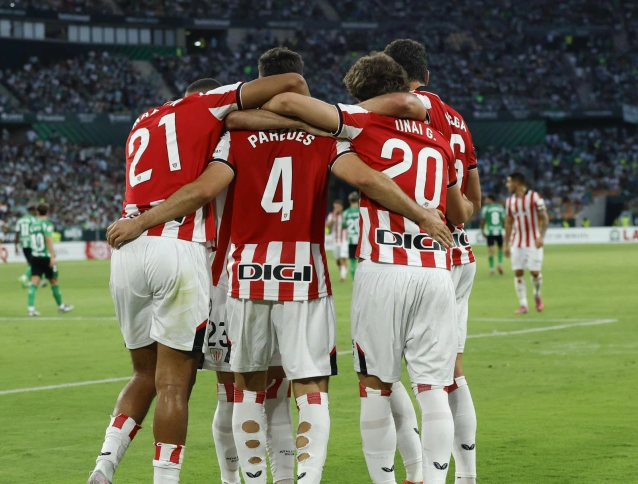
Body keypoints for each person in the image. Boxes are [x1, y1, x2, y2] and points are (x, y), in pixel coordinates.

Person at [107, 50, 454, 484]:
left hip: (242, 272)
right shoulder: (326, 136)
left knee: (242, 391)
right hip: (303, 271)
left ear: (258, 82)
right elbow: (367, 178)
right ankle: (305, 480)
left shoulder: (230, 136)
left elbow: (207, 185)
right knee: (309, 389)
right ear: (297, 82)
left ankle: (248, 480)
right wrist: (422, 212)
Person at [87, 70, 313, 484]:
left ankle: (104, 466)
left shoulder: (143, 122)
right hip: (177, 247)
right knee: (175, 382)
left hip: (125, 249)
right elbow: (291, 83)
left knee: (143, 373)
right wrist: (304, 123)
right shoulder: (211, 109)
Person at [258, 51, 475, 484]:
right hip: (435, 272)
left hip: (385, 267)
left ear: (361, 95)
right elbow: (461, 208)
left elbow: (283, 104)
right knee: (433, 389)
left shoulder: (359, 124)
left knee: (375, 385)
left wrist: (351, 112)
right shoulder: (435, 136)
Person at [385, 38, 483, 484]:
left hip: (417, 254)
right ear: (427, 74)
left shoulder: (397, 109)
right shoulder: (457, 119)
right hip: (459, 252)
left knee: (387, 370)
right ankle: (465, 477)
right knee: (449, 371)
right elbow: (471, 203)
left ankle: (420, 472)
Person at [504, 173, 548, 314]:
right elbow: (509, 222)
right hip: (517, 241)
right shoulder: (510, 201)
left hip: (534, 240)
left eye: (509, 182)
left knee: (535, 272)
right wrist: (506, 244)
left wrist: (541, 236)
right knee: (518, 272)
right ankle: (523, 304)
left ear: (517, 183)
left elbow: (545, 216)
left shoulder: (534, 197)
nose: (507, 185)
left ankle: (537, 295)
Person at [26, 203, 73, 316]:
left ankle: (31, 309)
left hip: (35, 256)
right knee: (54, 282)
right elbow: (48, 239)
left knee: (34, 283)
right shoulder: (47, 224)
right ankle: (61, 306)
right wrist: (53, 255)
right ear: (47, 212)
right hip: (46, 257)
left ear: (37, 212)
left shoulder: (32, 225)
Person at [480, 195, 506, 275]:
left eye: (487, 199)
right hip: (499, 231)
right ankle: (500, 264)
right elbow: (504, 220)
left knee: (491, 251)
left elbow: (483, 221)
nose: (485, 201)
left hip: (490, 231)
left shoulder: (485, 208)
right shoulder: (500, 208)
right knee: (501, 249)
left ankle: (491, 269)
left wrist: (482, 230)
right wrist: (504, 230)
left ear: (491, 199)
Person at [326, 200, 349, 282]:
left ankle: (343, 276)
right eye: (335, 207)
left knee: (343, 258)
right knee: (338, 260)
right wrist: (334, 216)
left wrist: (342, 215)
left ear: (341, 207)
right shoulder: (331, 215)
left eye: (338, 207)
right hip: (335, 241)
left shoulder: (345, 214)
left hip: (344, 240)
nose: (336, 209)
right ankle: (342, 270)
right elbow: (327, 225)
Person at [16, 205, 37, 289]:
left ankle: (34, 280)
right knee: (35, 263)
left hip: (23, 243)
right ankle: (24, 277)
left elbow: (17, 233)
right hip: (32, 243)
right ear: (32, 211)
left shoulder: (20, 220)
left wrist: (16, 246)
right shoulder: (34, 219)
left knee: (30, 263)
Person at [343, 192, 361, 279]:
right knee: (363, 263)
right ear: (358, 200)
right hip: (361, 240)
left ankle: (354, 281)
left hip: (351, 240)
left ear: (349, 201)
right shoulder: (361, 211)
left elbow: (344, 225)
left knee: (352, 263)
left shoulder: (346, 212)